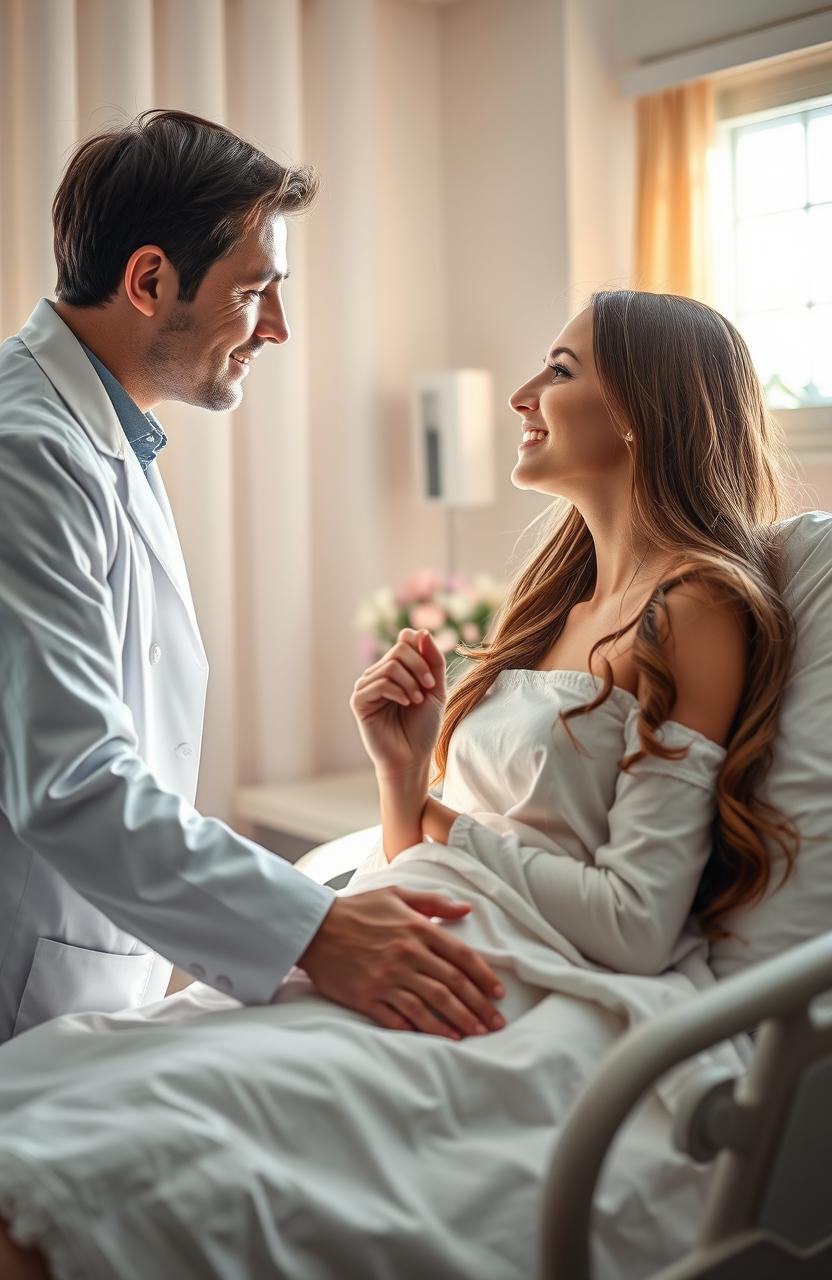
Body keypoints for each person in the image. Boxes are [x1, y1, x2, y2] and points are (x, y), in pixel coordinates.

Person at [0, 290, 799, 1280]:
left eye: (558, 368)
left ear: (644, 403)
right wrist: (398, 769)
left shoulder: (696, 605)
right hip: (421, 935)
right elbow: (417, 845)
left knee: (147, 1159)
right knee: (80, 1095)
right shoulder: (557, 600)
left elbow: (635, 921)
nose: (520, 394)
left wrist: (441, 816)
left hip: (525, 996)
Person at [0, 107, 506, 1049]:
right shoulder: (24, 452)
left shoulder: (105, 437)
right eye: (255, 290)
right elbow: (71, 778)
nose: (277, 327)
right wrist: (319, 930)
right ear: (149, 280)